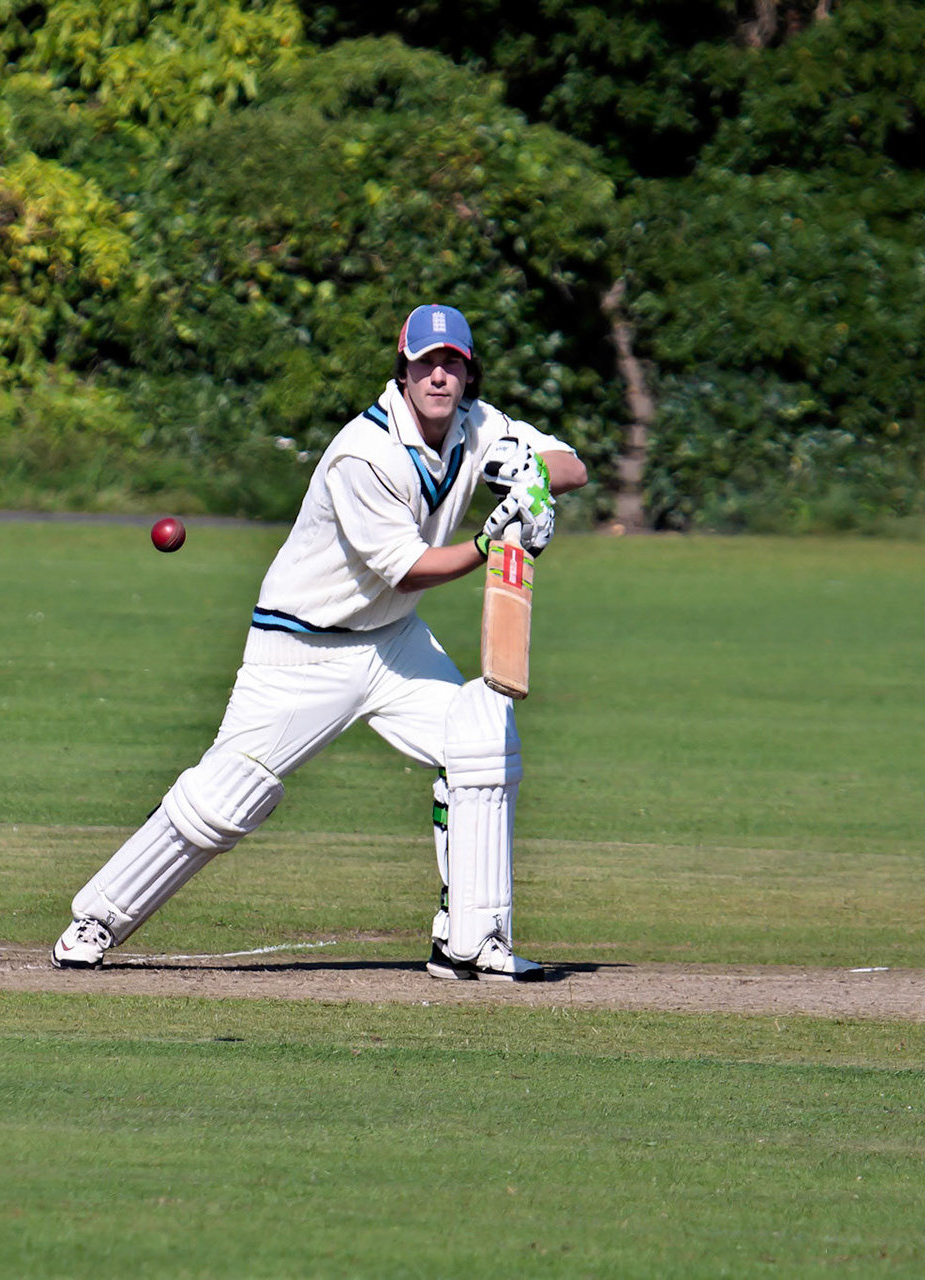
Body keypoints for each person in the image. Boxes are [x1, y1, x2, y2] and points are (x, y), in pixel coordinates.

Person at [51, 304, 588, 980]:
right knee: (225, 801)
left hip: (393, 642)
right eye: (427, 363)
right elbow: (408, 567)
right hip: (301, 649)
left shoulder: (481, 428)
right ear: (405, 368)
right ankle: (95, 921)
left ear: (469, 372)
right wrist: (490, 541)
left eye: (453, 363)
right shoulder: (363, 454)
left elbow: (574, 468)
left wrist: (531, 474)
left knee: (482, 736)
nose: (440, 376)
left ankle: (470, 941)